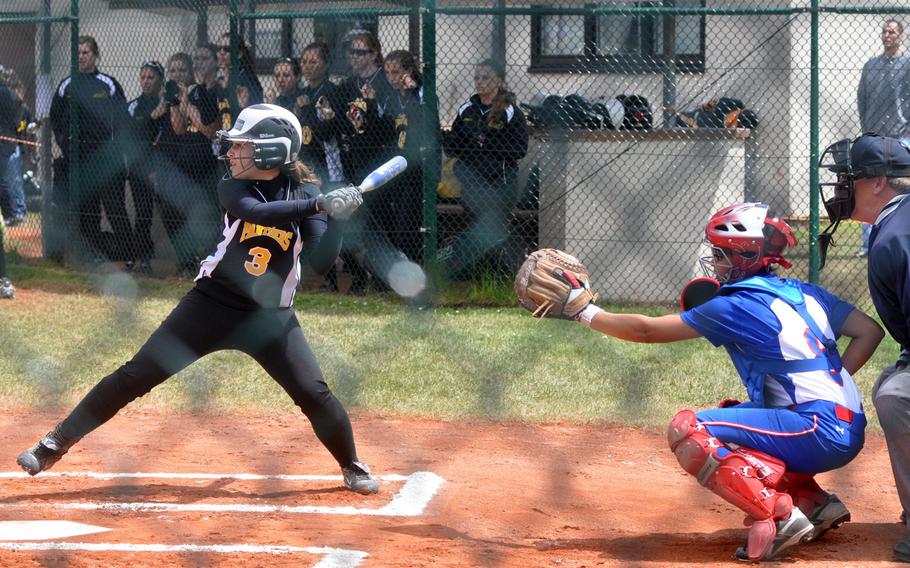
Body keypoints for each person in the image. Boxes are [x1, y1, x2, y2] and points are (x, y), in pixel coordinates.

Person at [16, 103, 380, 495]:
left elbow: (320, 263)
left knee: (314, 393)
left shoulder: (307, 193)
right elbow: (255, 211)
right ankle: (55, 442)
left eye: (243, 145)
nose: (232, 152)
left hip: (272, 317)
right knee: (136, 374)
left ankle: (351, 465)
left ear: (272, 151)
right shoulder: (235, 187)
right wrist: (320, 204)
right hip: (211, 305)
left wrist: (338, 220)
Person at [527, 203, 883, 561]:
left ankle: (778, 513)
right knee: (733, 416)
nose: (715, 260)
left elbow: (646, 331)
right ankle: (813, 502)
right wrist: (829, 382)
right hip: (846, 424)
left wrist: (583, 310)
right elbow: (869, 332)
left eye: (720, 253)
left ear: (744, 255)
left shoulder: (737, 304)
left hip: (815, 429)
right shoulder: (805, 293)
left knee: (691, 429)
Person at [819, 133, 910, 562]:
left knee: (896, 397)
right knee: (893, 383)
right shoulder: (893, 226)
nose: (840, 188)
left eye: (848, 178)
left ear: (878, 184)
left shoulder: (899, 234)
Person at [49, 35, 134, 264]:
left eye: (86, 52)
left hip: (105, 159)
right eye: (77, 53)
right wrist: (64, 143)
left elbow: (122, 119)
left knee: (115, 208)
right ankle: (91, 257)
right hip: (77, 158)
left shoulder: (108, 84)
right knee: (87, 211)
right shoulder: (66, 85)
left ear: (95, 55)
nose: (81, 57)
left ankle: (130, 258)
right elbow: (55, 118)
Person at [441, 58, 528, 277]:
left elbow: (519, 150)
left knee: (494, 228)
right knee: (473, 227)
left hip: (499, 184)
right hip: (471, 184)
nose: (479, 82)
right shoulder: (467, 110)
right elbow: (454, 147)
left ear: (499, 80)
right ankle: (478, 277)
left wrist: (486, 143)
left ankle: (503, 276)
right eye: (476, 77)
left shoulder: (510, 112)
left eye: (485, 77)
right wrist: (442, 136)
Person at [336, 30, 396, 294]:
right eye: (352, 52)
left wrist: (371, 105)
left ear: (374, 54)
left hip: (378, 160)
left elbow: (389, 127)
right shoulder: (347, 85)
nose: (354, 57)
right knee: (348, 220)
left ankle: (383, 278)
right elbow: (339, 121)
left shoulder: (384, 81)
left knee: (377, 223)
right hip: (352, 159)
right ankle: (358, 274)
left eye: (361, 52)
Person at [160, 45, 222, 277]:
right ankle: (186, 261)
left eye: (204, 58)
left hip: (207, 164)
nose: (198, 63)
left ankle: (208, 263)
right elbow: (177, 128)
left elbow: (209, 130)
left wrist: (186, 103)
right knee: (169, 209)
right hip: (184, 163)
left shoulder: (212, 92)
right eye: (195, 58)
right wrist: (175, 102)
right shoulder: (188, 93)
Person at [856, 19, 910, 257]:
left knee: (902, 188)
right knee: (868, 187)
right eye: (884, 31)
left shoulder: (907, 64)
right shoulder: (871, 65)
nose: (887, 35)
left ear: (901, 36)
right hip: (874, 137)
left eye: (892, 32)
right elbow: (862, 98)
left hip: (900, 135)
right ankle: (867, 245)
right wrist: (866, 127)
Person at [383, 49, 438, 264]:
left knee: (409, 223)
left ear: (408, 72)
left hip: (421, 166)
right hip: (398, 165)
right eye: (387, 72)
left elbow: (428, 124)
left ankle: (418, 268)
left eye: (396, 72)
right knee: (396, 220)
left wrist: (414, 92)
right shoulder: (393, 96)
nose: (391, 78)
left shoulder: (423, 92)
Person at [126, 60, 168, 274]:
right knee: (143, 212)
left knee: (170, 211)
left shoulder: (168, 103)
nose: (145, 81)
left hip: (164, 166)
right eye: (142, 77)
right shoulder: (134, 106)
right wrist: (151, 118)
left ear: (160, 79)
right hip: (140, 167)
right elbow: (134, 134)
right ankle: (142, 257)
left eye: (150, 77)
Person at [0, 66, 27, 227]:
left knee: (5, 179)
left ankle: (13, 213)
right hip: (9, 140)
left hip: (5, 141)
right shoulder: (11, 94)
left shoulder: (4, 93)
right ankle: (13, 213)